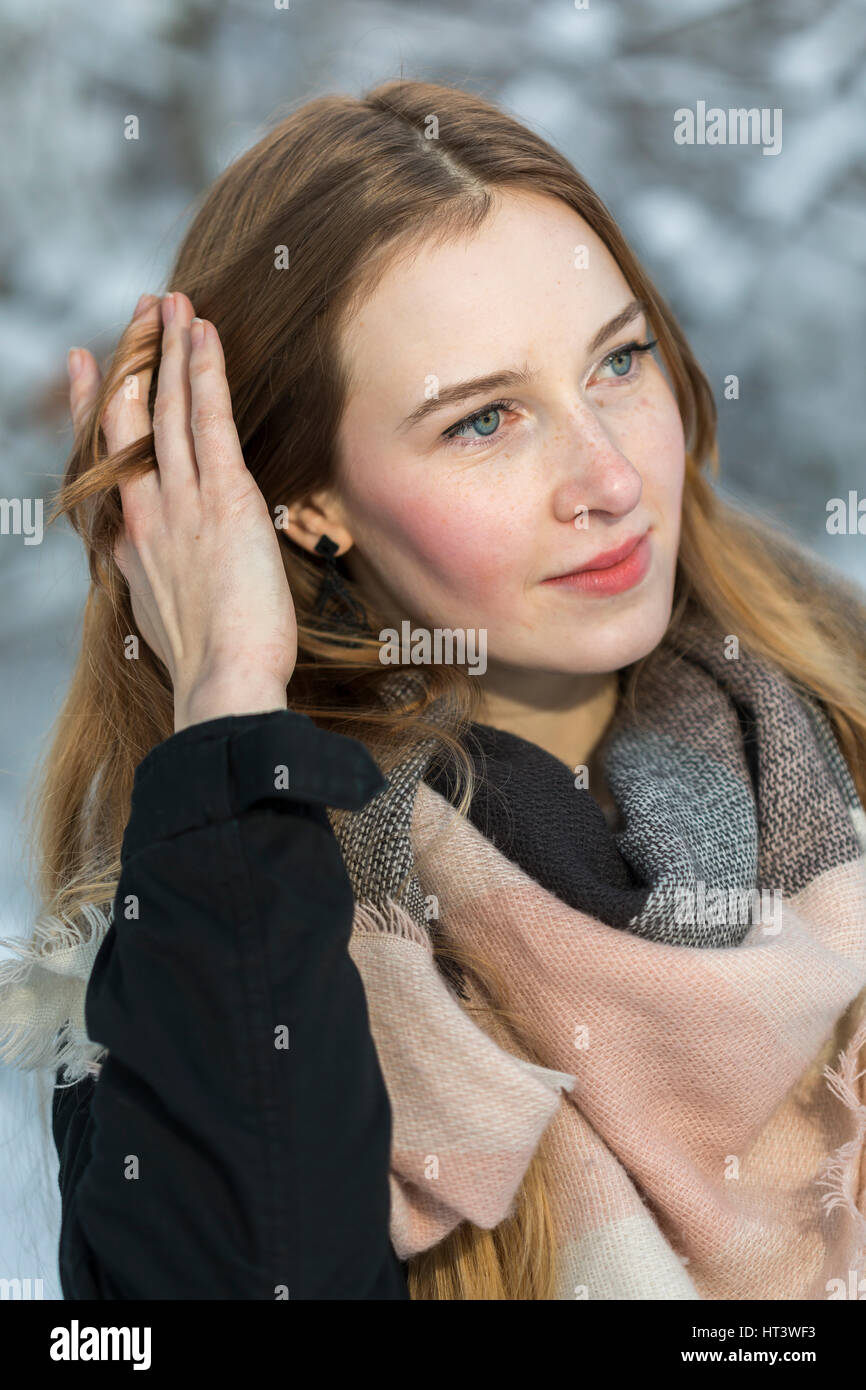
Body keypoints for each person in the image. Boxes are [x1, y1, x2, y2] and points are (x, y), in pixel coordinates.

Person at [2, 78, 866, 1301]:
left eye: (617, 361)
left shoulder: (836, 741)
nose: (610, 477)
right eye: (482, 421)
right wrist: (231, 707)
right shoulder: (210, 948)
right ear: (298, 503)